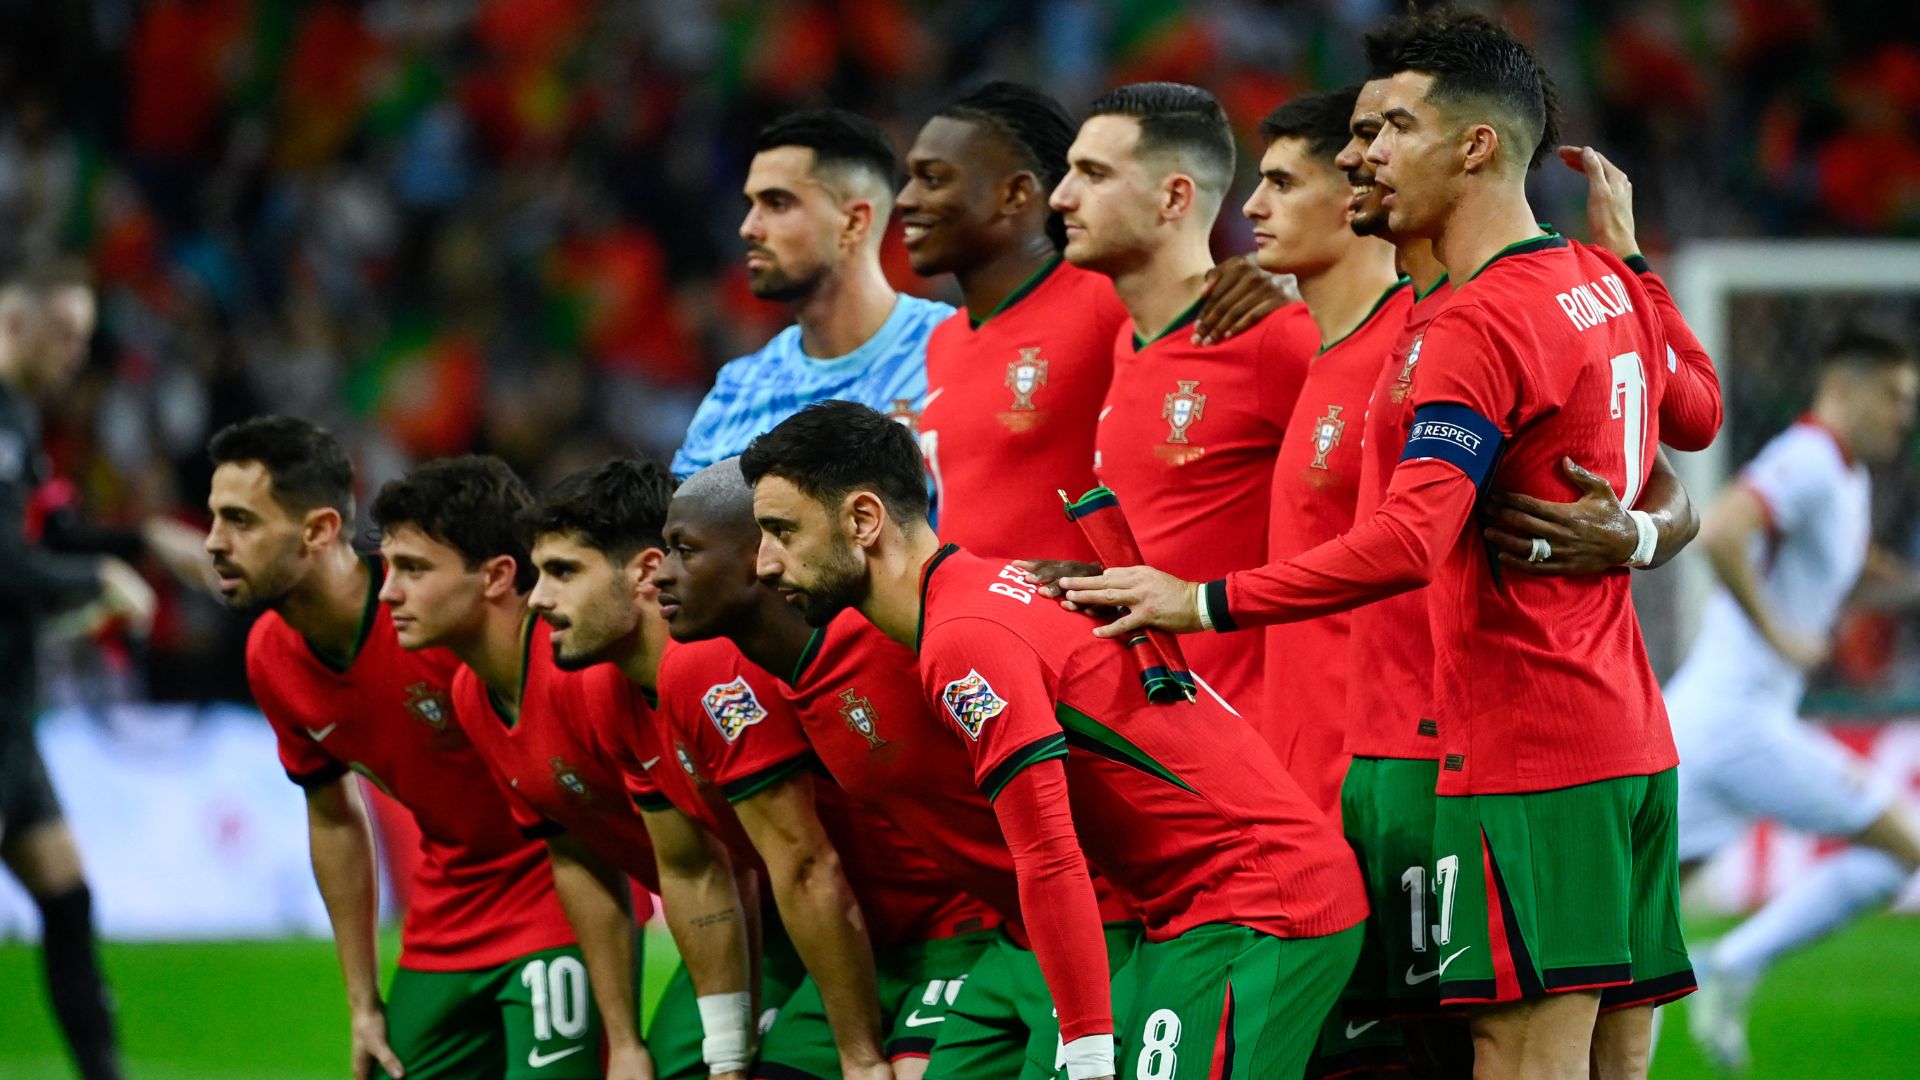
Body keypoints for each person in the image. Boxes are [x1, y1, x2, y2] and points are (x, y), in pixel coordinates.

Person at [1056, 17, 1723, 1079]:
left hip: (1511, 747)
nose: (1363, 152)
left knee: (1512, 1053)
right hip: (1616, 733)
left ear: (1473, 148)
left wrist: (1202, 602)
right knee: (1598, 1050)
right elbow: (1693, 409)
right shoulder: (1592, 286)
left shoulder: (1473, 324)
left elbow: (1412, 540)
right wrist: (1635, 264)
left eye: (1393, 129)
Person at [743, 400, 1368, 1080]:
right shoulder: (988, 590)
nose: (765, 564)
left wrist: (1088, 1053)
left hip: (1254, 907)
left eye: (782, 532)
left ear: (863, 520)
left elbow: (1047, 854)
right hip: (1202, 907)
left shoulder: (963, 638)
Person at [657, 459, 1143, 1079]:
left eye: (684, 551)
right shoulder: (786, 678)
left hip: (1088, 925)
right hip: (1008, 937)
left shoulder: (899, 639)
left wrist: (1072, 590)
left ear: (764, 554)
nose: (662, 576)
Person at [203, 417, 591, 1080]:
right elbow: (333, 816)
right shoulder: (271, 656)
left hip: (556, 885)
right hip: (449, 909)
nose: (213, 543)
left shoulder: (440, 612)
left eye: (240, 520)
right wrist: (362, 1000)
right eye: (214, 518)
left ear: (320, 530)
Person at [520, 459, 928, 1080]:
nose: (539, 598)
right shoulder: (611, 690)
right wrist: (727, 1058)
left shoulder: (707, 669)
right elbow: (691, 869)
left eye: (564, 572)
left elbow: (806, 864)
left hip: (930, 931)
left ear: (643, 574)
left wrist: (861, 1059)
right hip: (836, 938)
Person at [361, 456, 670, 1080]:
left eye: (414, 569)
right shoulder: (472, 696)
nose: (389, 590)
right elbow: (575, 852)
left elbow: (705, 857)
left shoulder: (584, 670)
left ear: (497, 576)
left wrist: (626, 1041)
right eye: (389, 568)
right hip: (510, 917)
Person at [1664, 330, 1920, 1075]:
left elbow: (1845, 561)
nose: (1903, 417)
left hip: (1716, 726)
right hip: (1738, 724)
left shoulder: (1846, 477)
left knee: (1633, 948)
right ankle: (1733, 962)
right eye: (1894, 398)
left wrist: (1902, 584)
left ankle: (1724, 964)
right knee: (1900, 853)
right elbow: (1720, 533)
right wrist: (1777, 632)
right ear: (1845, 386)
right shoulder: (1806, 458)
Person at [902, 82, 1288, 561]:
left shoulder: (1105, 301)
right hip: (982, 629)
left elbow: (1186, 297)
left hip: (1112, 628)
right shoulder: (944, 340)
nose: (904, 200)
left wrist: (1285, 281)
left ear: (1017, 193)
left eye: (933, 179)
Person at [1049, 81, 1321, 722]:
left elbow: (1411, 505)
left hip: (1263, 743)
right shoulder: (1127, 340)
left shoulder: (1272, 336)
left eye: (1093, 174)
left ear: (1174, 197)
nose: (1062, 196)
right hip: (1170, 743)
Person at [1236, 86, 1409, 811]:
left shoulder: (1414, 345)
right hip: (1299, 769)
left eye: (1280, 183)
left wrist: (1648, 529)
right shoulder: (1314, 353)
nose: (1250, 206)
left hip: (1383, 775)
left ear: (1352, 198)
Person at [0, 276, 150, 1080]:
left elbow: (49, 531)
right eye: (62, 332)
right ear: (12, 317)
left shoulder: (19, 420)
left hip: (11, 715)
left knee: (67, 894)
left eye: (84, 338)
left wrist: (143, 543)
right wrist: (95, 581)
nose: (76, 355)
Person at [672, 108, 949, 480]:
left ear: (853, 222)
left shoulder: (953, 353)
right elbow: (682, 533)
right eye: (751, 205)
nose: (748, 227)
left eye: (777, 204)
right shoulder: (736, 394)